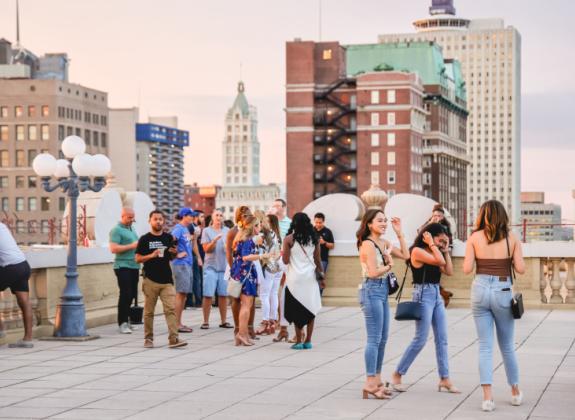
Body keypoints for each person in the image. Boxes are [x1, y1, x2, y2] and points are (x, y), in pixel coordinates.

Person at [463, 200, 524, 412]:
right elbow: (522, 269)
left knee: (485, 346)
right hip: (502, 290)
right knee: (507, 346)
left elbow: (466, 268)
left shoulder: (474, 238)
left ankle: (487, 398)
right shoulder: (512, 239)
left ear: (482, 216)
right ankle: (515, 392)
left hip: (479, 288)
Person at [391, 223, 459, 394]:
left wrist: (444, 249)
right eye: (439, 238)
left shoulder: (434, 251)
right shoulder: (417, 251)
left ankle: (445, 379)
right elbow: (440, 262)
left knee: (442, 339)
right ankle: (398, 373)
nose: (441, 241)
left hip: (436, 294)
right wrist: (435, 247)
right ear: (428, 236)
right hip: (423, 295)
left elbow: (449, 270)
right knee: (420, 339)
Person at [357, 209, 409, 399]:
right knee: (374, 339)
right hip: (371, 290)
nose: (384, 223)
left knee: (383, 338)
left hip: (382, 291)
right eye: (380, 221)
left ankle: (377, 380)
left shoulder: (384, 242)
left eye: (385, 221)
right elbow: (371, 272)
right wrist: (388, 265)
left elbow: (406, 255)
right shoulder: (368, 245)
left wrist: (399, 232)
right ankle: (370, 382)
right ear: (369, 224)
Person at [135, 210, 187, 348]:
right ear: (150, 221)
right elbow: (137, 258)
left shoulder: (168, 238)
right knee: (149, 312)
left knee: (170, 309)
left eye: (160, 219)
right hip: (150, 279)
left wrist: (174, 254)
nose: (158, 221)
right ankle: (148, 339)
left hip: (167, 280)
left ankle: (174, 338)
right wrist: (151, 256)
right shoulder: (144, 239)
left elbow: (171, 256)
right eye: (155, 219)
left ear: (163, 221)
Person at [282, 212, 324, 350]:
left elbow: (285, 261)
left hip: (294, 279)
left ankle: (298, 341)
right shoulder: (315, 238)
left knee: (296, 309)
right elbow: (318, 260)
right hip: (309, 278)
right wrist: (322, 276)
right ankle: (308, 341)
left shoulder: (289, 239)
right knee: (310, 309)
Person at [230, 215, 269, 346]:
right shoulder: (248, 240)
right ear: (253, 227)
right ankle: (241, 334)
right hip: (246, 275)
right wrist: (262, 255)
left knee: (247, 305)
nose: (260, 227)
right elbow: (246, 257)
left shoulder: (241, 238)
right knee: (246, 305)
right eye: (257, 225)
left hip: (240, 273)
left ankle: (243, 334)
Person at [0, 222, 34, 348]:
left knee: (24, 302)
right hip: (23, 265)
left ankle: (1, 329)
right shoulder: (2, 226)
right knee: (24, 301)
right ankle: (28, 339)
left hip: (11, 267)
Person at [109, 208, 140, 334]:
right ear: (122, 216)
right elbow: (113, 248)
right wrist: (132, 246)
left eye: (133, 217)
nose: (132, 220)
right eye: (129, 217)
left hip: (134, 265)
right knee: (125, 294)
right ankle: (122, 323)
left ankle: (127, 321)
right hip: (122, 266)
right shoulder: (116, 230)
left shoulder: (132, 229)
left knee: (132, 294)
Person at [200, 208, 232, 329]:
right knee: (208, 294)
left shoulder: (227, 230)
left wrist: (228, 247)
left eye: (221, 215)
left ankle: (223, 321)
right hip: (211, 267)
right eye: (217, 215)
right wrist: (214, 241)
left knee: (223, 295)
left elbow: (232, 248)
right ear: (212, 218)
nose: (219, 217)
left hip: (224, 267)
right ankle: (205, 321)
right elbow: (206, 249)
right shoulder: (207, 231)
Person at [225, 206, 254, 336]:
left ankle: (249, 327)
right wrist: (232, 268)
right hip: (236, 267)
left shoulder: (252, 230)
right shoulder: (233, 231)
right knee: (235, 298)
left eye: (248, 215)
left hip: (249, 267)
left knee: (250, 299)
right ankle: (237, 327)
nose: (247, 217)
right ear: (238, 217)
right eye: (244, 215)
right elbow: (228, 251)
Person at [419, 204, 454, 306]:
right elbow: (419, 233)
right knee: (428, 276)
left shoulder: (445, 227)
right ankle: (443, 293)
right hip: (427, 253)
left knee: (433, 276)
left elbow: (447, 240)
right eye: (435, 215)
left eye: (439, 215)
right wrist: (430, 223)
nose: (437, 217)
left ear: (443, 217)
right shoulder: (428, 223)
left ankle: (442, 294)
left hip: (439, 254)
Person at [256, 214, 283, 335]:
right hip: (278, 265)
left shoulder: (264, 235)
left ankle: (265, 321)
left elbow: (261, 253)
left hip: (268, 264)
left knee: (264, 294)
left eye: (264, 222)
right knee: (273, 293)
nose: (261, 224)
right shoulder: (277, 234)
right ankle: (273, 321)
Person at [171, 208, 195, 333]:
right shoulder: (178, 229)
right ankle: (176, 324)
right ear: (184, 216)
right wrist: (176, 255)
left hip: (187, 264)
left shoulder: (185, 229)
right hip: (180, 264)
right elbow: (169, 242)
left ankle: (178, 322)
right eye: (191, 216)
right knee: (180, 294)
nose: (193, 218)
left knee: (183, 294)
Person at [313, 212, 334, 295]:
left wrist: (324, 242)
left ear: (323, 221)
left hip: (323, 260)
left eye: (320, 222)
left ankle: (318, 298)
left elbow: (332, 245)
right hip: (311, 259)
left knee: (320, 279)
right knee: (311, 279)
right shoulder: (311, 230)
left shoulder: (328, 231)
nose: (318, 224)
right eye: (316, 222)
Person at [188, 210, 205, 308]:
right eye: (201, 217)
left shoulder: (198, 228)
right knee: (195, 279)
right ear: (196, 217)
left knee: (197, 279)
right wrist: (198, 257)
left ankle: (198, 301)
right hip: (193, 256)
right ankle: (196, 302)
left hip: (198, 256)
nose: (203, 219)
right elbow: (191, 242)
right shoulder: (191, 227)